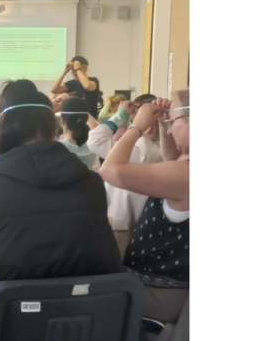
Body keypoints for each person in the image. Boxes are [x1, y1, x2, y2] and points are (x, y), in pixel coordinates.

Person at [0, 79, 126, 341]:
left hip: (5, 323)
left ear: (6, 127)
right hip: (82, 322)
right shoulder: (93, 183)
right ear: (54, 126)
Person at [97, 88, 191, 329]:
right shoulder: (184, 166)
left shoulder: (185, 175)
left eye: (173, 122)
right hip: (166, 286)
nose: (169, 130)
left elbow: (110, 170)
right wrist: (162, 122)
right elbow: (172, 160)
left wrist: (137, 126)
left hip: (158, 292)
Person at [88, 97, 164, 233]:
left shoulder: (139, 151)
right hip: (149, 225)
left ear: (148, 127)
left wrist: (121, 116)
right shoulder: (168, 151)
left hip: (122, 225)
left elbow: (95, 140)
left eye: (133, 122)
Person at [57, 97, 97, 169]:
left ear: (62, 120)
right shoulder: (93, 145)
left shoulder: (57, 148)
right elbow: (95, 125)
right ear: (86, 119)